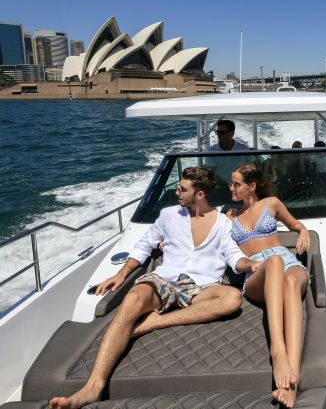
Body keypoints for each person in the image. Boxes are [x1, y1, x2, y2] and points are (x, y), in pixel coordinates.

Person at [49, 166, 258, 409]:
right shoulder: (168, 215)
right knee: (133, 299)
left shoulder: (223, 223)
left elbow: (233, 255)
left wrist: (249, 263)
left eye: (182, 189)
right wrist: (121, 273)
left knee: (232, 298)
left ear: (200, 194)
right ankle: (93, 387)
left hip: (201, 285)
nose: (176, 192)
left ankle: (153, 322)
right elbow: (144, 245)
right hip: (166, 280)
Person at [227, 162, 310, 408]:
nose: (231, 188)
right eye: (231, 183)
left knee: (291, 281)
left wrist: (303, 230)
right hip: (257, 273)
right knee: (273, 262)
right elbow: (207, 238)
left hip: (287, 261)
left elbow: (296, 225)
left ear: (251, 187)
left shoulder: (271, 203)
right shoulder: (230, 216)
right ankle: (278, 351)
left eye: (236, 184)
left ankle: (292, 382)